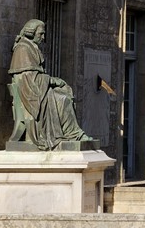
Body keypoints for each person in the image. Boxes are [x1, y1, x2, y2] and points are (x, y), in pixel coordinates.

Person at [8, 19, 97, 149]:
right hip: (32, 95)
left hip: (40, 90)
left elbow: (35, 76)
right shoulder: (22, 49)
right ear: (31, 33)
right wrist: (51, 80)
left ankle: (73, 133)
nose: (43, 38)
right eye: (41, 34)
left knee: (66, 93)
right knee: (63, 100)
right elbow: (28, 79)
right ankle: (73, 134)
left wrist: (52, 82)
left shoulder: (32, 47)